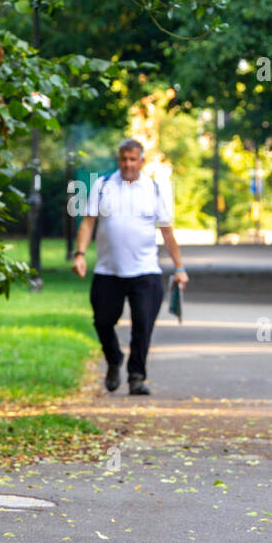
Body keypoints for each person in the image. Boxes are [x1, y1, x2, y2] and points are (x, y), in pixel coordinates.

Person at [71, 138, 188, 395]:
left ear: (142, 161)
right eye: (124, 159)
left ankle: (137, 376)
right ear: (118, 160)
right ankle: (114, 359)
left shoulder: (154, 190)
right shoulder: (102, 187)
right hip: (108, 270)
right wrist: (80, 254)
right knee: (103, 321)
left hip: (146, 271)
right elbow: (88, 223)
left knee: (142, 324)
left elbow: (167, 232)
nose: (128, 164)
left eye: (133, 159)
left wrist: (179, 268)